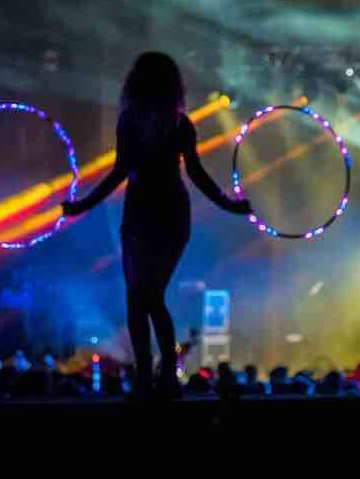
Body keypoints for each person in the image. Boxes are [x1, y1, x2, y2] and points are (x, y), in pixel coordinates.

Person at [62, 52, 250, 399]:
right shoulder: (175, 123)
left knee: (143, 297)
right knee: (146, 297)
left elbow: (121, 171)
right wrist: (228, 204)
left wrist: (83, 205)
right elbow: (194, 174)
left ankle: (154, 377)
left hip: (149, 212)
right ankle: (156, 377)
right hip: (164, 212)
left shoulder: (139, 121)